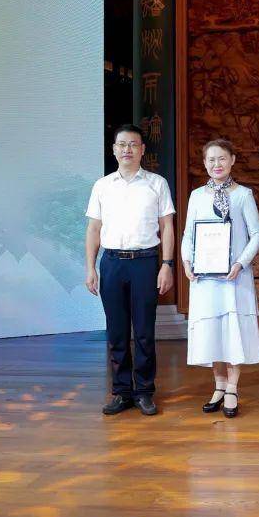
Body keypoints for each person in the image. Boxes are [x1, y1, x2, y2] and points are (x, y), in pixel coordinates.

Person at [84, 124, 175, 417]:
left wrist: (167, 265)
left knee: (145, 331)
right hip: (111, 263)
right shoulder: (102, 186)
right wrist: (90, 267)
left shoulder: (156, 184)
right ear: (114, 149)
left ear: (142, 150)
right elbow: (94, 229)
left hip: (145, 262)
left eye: (133, 144)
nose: (127, 150)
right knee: (117, 331)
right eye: (122, 144)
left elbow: (167, 226)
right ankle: (121, 391)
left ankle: (145, 391)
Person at [180, 139, 259, 418]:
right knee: (213, 331)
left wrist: (241, 263)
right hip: (205, 278)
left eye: (222, 159)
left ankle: (232, 388)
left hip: (234, 277)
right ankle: (218, 386)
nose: (217, 164)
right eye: (211, 160)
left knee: (232, 330)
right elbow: (188, 235)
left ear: (232, 160)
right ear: (205, 163)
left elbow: (256, 234)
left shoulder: (243, 195)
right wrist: (187, 262)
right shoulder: (196, 196)